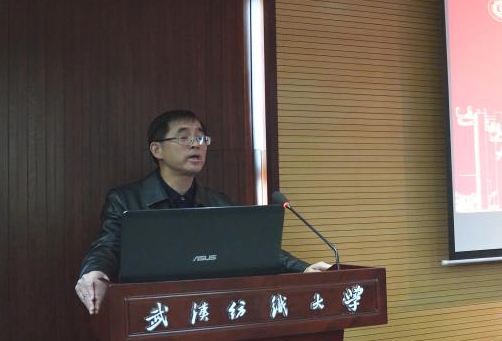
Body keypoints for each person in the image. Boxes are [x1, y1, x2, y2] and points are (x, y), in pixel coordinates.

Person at [74, 109, 328, 313]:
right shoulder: (126, 200)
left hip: (209, 316)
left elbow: (254, 249)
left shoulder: (218, 202)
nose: (196, 144)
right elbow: (107, 246)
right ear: (157, 149)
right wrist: (95, 272)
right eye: (184, 137)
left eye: (201, 138)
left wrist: (302, 269)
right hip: (152, 315)